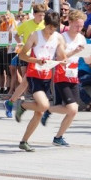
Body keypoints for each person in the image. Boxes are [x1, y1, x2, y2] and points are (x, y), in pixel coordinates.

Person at [14, 11, 72, 149]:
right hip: (34, 74)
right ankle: (22, 105)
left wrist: (64, 61)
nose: (51, 31)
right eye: (49, 27)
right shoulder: (35, 35)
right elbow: (22, 55)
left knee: (39, 112)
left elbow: (62, 55)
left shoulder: (58, 37)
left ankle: (24, 141)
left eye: (54, 28)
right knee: (44, 106)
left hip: (47, 76)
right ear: (45, 24)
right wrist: (36, 60)